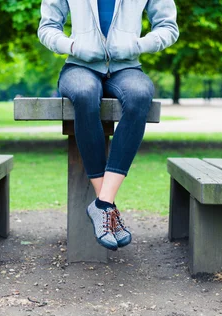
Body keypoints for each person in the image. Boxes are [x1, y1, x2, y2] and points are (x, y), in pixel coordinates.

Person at [38, 0, 179, 250]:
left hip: (127, 68)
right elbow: (47, 27)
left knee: (139, 94)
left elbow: (168, 27)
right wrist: (72, 45)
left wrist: (138, 44)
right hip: (78, 67)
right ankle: (107, 208)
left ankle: (102, 204)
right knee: (84, 92)